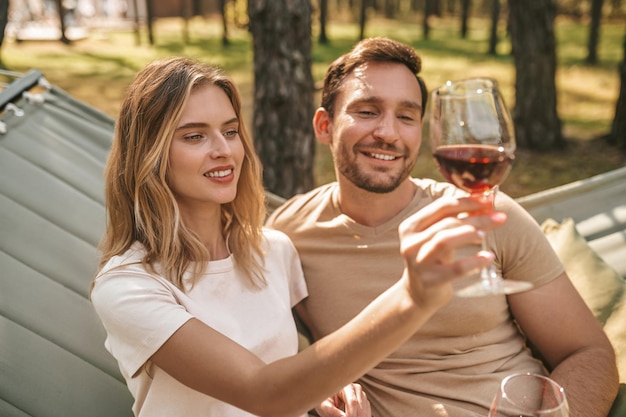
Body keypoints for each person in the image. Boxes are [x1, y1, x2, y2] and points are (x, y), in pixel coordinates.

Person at [89, 56, 507, 417]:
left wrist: (324, 391)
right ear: (150, 154)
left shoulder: (273, 250)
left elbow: (292, 364)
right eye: (195, 136)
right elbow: (263, 391)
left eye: (231, 131)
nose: (224, 150)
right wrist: (413, 297)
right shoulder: (128, 287)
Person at [266, 37, 619, 417]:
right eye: (367, 111)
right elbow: (270, 360)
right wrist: (319, 392)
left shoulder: (489, 217)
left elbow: (589, 354)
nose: (388, 132)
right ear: (324, 125)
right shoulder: (289, 235)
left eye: (406, 116)